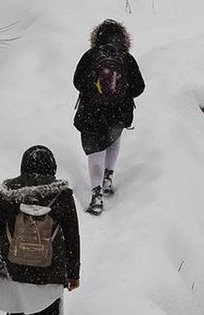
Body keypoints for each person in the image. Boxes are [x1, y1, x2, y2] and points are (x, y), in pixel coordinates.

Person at [0, 145, 81, 315]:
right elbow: (72, 236)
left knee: (16, 314)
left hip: (11, 270)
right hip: (50, 271)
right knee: (46, 313)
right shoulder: (62, 196)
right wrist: (73, 273)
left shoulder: (9, 194)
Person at [73, 19, 145, 215]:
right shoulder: (126, 59)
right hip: (118, 114)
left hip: (91, 114)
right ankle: (108, 177)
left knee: (95, 150)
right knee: (112, 139)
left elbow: (77, 81)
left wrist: (94, 91)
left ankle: (96, 195)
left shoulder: (90, 56)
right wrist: (121, 93)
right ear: (123, 39)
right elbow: (139, 87)